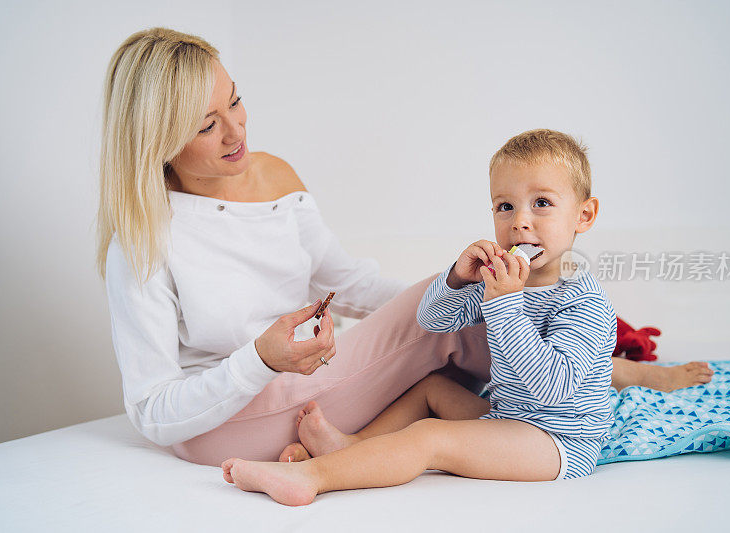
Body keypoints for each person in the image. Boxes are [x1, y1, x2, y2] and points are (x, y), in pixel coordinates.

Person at [97, 28, 713, 468]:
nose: (238, 131)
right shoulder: (145, 236)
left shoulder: (271, 173)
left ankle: (613, 370)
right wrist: (260, 358)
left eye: (235, 101)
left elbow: (351, 283)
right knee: (487, 309)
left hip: (313, 378)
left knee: (473, 305)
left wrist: (451, 294)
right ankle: (614, 371)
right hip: (227, 421)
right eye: (207, 126)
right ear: (161, 141)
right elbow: (152, 412)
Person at [220, 130, 623, 504]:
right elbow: (433, 321)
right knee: (432, 389)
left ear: (584, 216)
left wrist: (504, 305)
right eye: (505, 206)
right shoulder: (499, 286)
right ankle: (353, 444)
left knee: (430, 438)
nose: (519, 220)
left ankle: (313, 477)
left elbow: (552, 389)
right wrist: (455, 280)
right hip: (508, 418)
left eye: (542, 203)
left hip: (559, 443)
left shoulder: (583, 302)